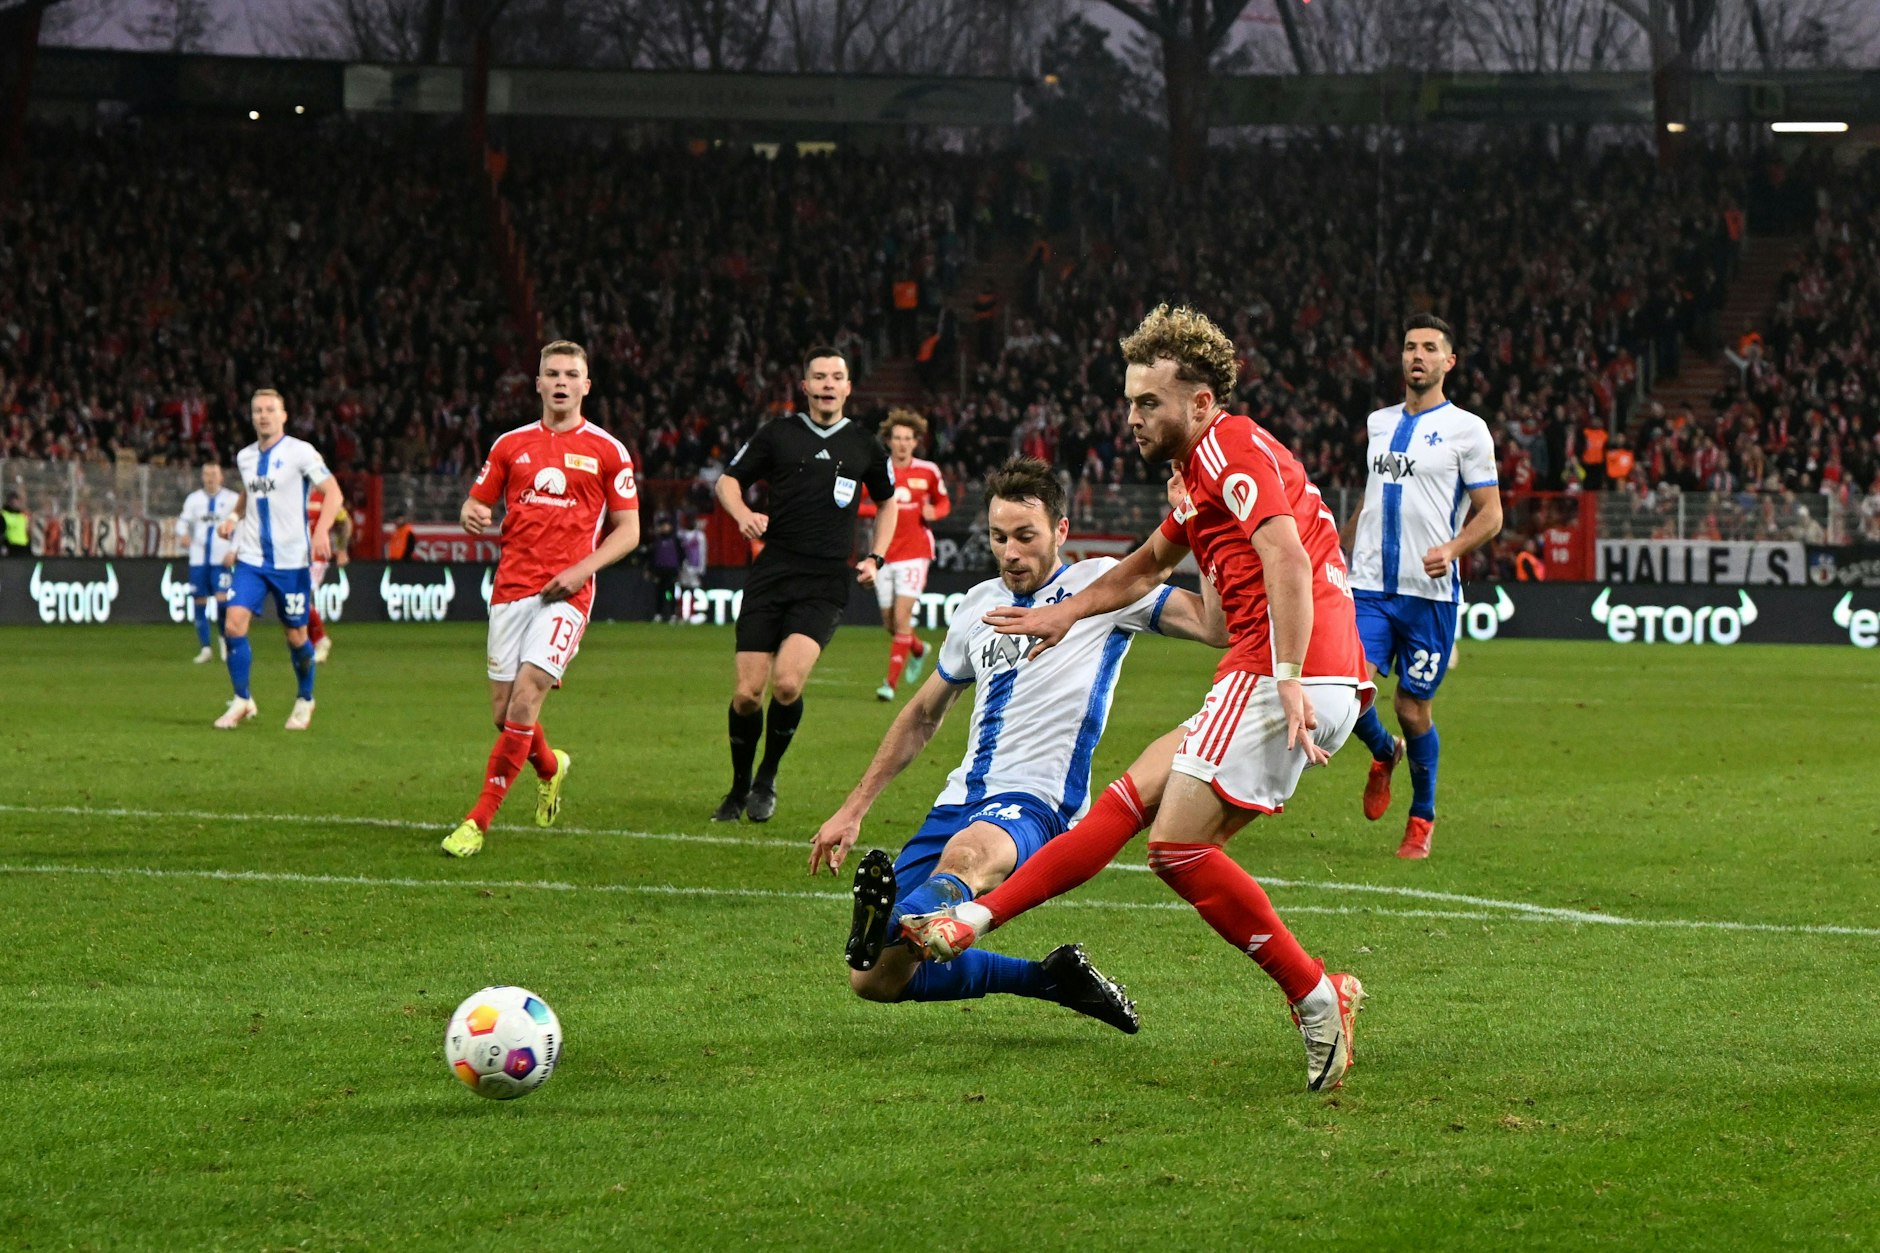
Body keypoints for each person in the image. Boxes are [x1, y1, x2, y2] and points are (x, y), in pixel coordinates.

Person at [902, 305, 1371, 1092]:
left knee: (1174, 847)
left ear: (1197, 401)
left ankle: (1317, 994)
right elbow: (1142, 567)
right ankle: (975, 919)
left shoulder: (1229, 443)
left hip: (1285, 670)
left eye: (1147, 402)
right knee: (1127, 799)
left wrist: (1287, 673)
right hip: (1288, 670)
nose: (1131, 417)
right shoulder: (1194, 476)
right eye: (1128, 401)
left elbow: (1286, 556)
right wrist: (1063, 609)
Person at [811, 456, 1228, 1029]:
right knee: (876, 979)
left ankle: (885, 922)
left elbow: (1216, 627)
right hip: (958, 801)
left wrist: (1202, 523)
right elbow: (922, 715)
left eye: (1025, 537)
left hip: (1037, 803)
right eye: (998, 537)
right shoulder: (976, 607)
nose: (1010, 552)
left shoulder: (1103, 586)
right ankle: (1048, 978)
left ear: (1060, 531)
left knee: (968, 863)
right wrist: (853, 809)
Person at [442, 340, 641, 858]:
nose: (560, 381)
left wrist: (582, 570)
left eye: (570, 374)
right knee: (504, 714)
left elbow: (629, 530)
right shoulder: (510, 445)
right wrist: (470, 513)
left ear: (585, 385)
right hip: (511, 589)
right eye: (551, 373)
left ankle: (477, 821)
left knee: (527, 698)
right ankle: (551, 767)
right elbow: (477, 501)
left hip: (566, 594)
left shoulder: (608, 450)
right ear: (538, 383)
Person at [711, 347, 898, 823]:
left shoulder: (864, 444)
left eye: (838, 376)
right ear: (806, 386)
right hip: (772, 572)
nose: (829, 384)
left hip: (824, 579)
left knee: (788, 684)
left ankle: (766, 778)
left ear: (849, 387)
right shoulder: (778, 433)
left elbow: (888, 502)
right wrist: (743, 514)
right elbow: (728, 482)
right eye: (820, 377)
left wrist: (876, 555)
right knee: (748, 693)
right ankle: (736, 787)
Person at [1341, 315, 1502, 859]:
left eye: (1431, 348)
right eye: (1410, 346)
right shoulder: (1378, 423)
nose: (1418, 356)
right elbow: (1372, 496)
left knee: (1413, 708)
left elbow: (1492, 513)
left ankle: (1422, 815)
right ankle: (1382, 751)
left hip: (1429, 595)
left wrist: (1453, 550)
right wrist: (1341, 546)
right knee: (1346, 690)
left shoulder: (1468, 430)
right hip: (1368, 586)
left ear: (1448, 362)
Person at [213, 389, 343, 731]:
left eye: (270, 409)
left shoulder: (300, 452)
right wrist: (233, 517)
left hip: (292, 561)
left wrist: (321, 532)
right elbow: (249, 491)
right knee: (232, 623)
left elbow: (333, 492)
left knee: (297, 636)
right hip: (253, 559)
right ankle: (242, 699)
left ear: (283, 416)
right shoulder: (245, 457)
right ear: (252, 416)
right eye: (257, 410)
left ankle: (305, 698)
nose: (263, 415)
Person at [857, 408, 951, 701]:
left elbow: (944, 502)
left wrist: (934, 511)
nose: (901, 443)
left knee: (901, 617)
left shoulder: (928, 471)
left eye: (907, 438)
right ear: (888, 440)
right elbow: (856, 504)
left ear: (915, 441)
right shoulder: (876, 468)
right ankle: (919, 648)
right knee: (890, 623)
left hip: (916, 552)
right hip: (883, 553)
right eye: (896, 438)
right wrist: (881, 509)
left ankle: (889, 685)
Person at [176, 462, 239, 663]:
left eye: (214, 474)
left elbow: (242, 526)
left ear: (221, 477)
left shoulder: (232, 499)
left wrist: (233, 550)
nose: (210, 478)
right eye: (206, 474)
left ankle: (224, 639)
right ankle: (205, 649)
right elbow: (182, 522)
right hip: (198, 559)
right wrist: (183, 534)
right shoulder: (193, 500)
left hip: (221, 559)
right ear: (202, 477)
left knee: (222, 601)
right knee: (199, 602)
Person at [305, 499, 353, 664]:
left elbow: (345, 522)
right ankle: (312, 644)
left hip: (316, 557)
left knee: (301, 599)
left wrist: (342, 549)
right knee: (292, 602)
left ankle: (320, 640)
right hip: (292, 557)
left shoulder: (324, 496)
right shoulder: (292, 489)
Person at [647, 514, 683, 621]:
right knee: (659, 593)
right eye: (662, 525)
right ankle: (658, 613)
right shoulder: (657, 541)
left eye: (666, 525)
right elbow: (652, 556)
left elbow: (681, 555)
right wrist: (652, 570)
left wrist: (678, 569)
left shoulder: (675, 540)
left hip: (671, 571)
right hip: (660, 571)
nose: (664, 528)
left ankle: (672, 613)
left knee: (670, 593)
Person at [1, 490, 28, 557]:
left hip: (23, 547)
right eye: (13, 501)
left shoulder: (22, 516)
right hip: (10, 547)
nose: (15, 503)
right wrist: (2, 546)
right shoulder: (4, 515)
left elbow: (25, 532)